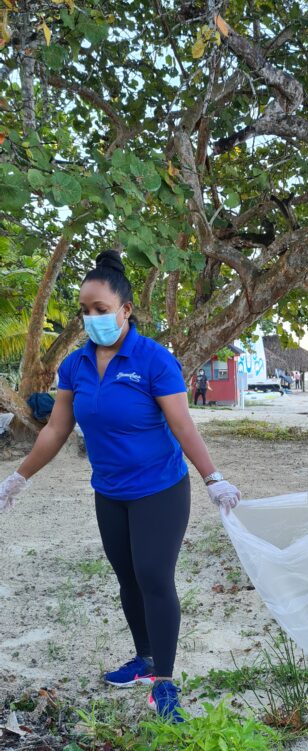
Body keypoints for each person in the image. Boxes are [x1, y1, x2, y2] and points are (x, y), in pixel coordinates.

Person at [0, 251, 241, 720]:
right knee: (127, 578)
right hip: (110, 491)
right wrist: (18, 477)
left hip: (159, 489)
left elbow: (183, 426)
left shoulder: (153, 360)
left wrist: (212, 477)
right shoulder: (75, 365)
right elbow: (56, 429)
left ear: (126, 309)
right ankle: (144, 658)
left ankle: (165, 684)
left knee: (153, 574)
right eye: (85, 311)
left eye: (101, 309)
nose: (93, 319)